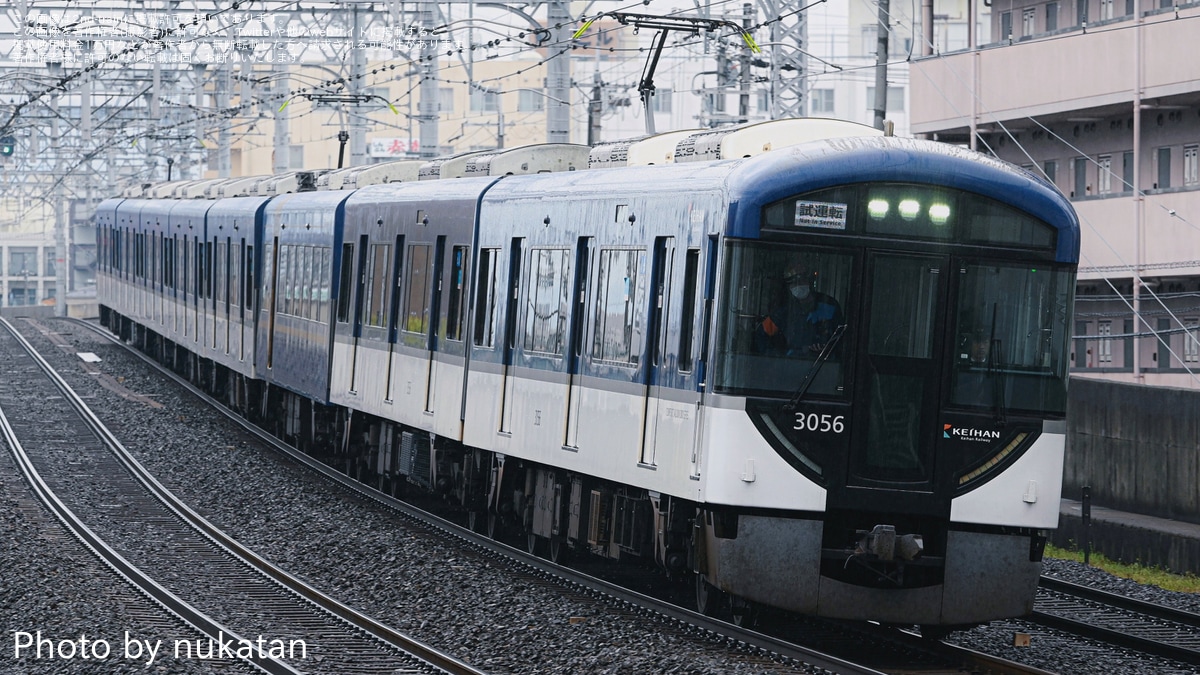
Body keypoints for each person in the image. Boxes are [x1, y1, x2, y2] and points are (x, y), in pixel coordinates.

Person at [755, 265, 844, 357]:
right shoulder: (784, 310)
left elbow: (841, 339)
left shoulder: (829, 306)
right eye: (793, 283)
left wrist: (827, 349)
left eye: (802, 280)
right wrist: (775, 357)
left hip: (823, 366)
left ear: (809, 281)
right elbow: (761, 334)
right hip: (792, 365)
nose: (798, 285)